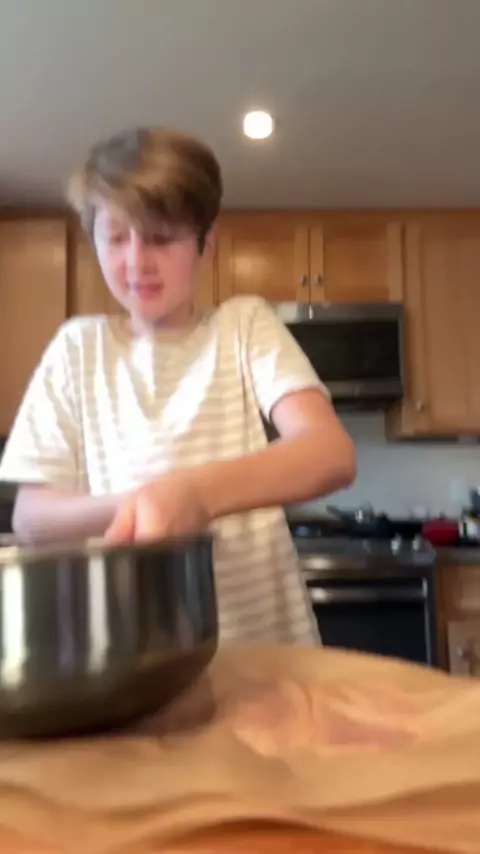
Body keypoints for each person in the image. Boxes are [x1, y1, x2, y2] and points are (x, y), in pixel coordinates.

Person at [0, 127, 356, 644]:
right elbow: (32, 519)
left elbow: (330, 453)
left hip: (267, 647)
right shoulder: (77, 349)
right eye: (116, 238)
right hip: (138, 648)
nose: (136, 261)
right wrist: (150, 504)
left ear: (205, 244)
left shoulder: (244, 327)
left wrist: (195, 494)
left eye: (161, 238)